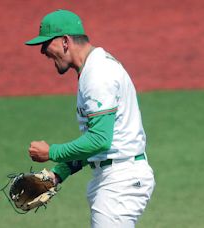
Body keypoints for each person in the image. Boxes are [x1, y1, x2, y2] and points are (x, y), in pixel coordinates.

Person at [25, 9, 155, 228]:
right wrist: (59, 173)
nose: (42, 51)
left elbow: (100, 140)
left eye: (46, 44)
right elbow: (98, 144)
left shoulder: (98, 75)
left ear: (65, 41)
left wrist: (51, 153)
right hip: (114, 178)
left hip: (120, 181)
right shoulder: (93, 69)